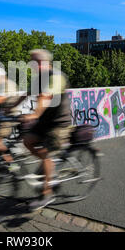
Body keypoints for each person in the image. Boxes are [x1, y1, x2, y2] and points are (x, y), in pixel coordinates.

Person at [21, 49, 73, 210]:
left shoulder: (56, 77)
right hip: (45, 122)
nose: (34, 65)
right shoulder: (38, 78)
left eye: (37, 62)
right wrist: (12, 108)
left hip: (59, 123)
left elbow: (46, 96)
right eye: (32, 62)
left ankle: (47, 193)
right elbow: (26, 94)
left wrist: (34, 115)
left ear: (46, 62)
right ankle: (49, 170)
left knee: (46, 154)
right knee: (27, 141)